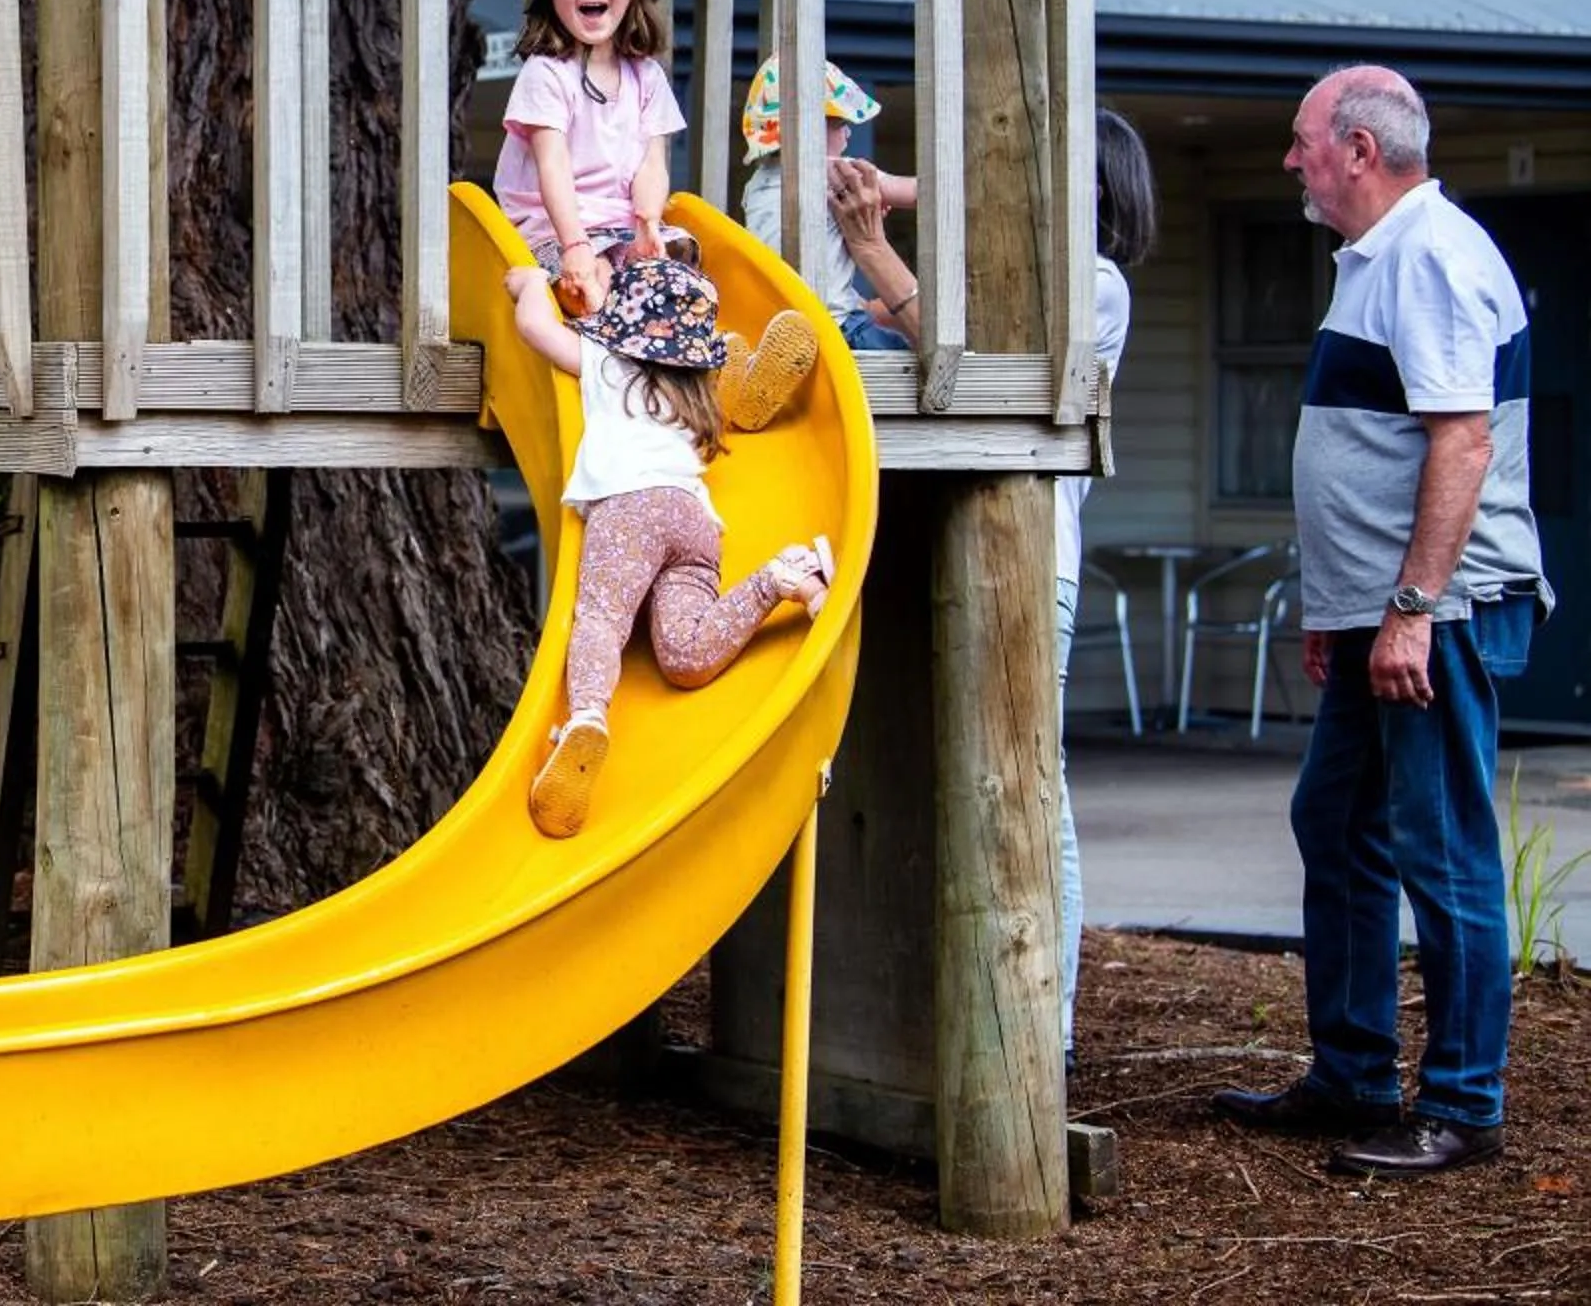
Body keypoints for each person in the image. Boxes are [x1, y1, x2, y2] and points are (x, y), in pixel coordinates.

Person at [1209, 66, 1548, 1178]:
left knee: (1441, 847)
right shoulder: (1373, 261)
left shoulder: (1432, 255)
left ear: (1359, 147)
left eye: (1305, 141)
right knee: (1337, 823)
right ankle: (1351, 1071)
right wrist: (1340, 608)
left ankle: (1463, 1103)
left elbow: (1461, 443)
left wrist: (1405, 608)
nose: (1293, 159)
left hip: (1436, 611)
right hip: (1380, 615)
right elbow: (1369, 452)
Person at [837, 109, 1157, 1057]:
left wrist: (870, 245)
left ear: (1084, 193)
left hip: (1026, 569)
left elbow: (962, 361)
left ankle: (1038, 1036)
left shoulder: (1091, 286)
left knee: (1027, 799)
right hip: (941, 554)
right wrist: (877, 190)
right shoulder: (1011, 275)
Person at [501, 254, 835, 839]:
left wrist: (530, 283)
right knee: (683, 657)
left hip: (630, 509)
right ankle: (784, 577)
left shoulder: (606, 365)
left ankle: (586, 717)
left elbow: (534, 329)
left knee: (602, 620)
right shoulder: (695, 399)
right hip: (694, 523)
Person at [493, 0, 686, 321]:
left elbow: (653, 165)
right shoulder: (546, 74)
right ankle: (604, 340)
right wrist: (575, 245)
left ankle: (711, 359)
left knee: (678, 267)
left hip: (621, 224)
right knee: (596, 275)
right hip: (552, 229)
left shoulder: (646, 76)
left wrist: (649, 221)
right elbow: (553, 165)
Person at [737, 53, 919, 352]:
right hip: (840, 328)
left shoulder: (755, 187)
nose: (847, 133)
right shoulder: (833, 172)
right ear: (810, 128)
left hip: (780, 326)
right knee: (908, 360)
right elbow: (912, 194)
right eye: (839, 124)